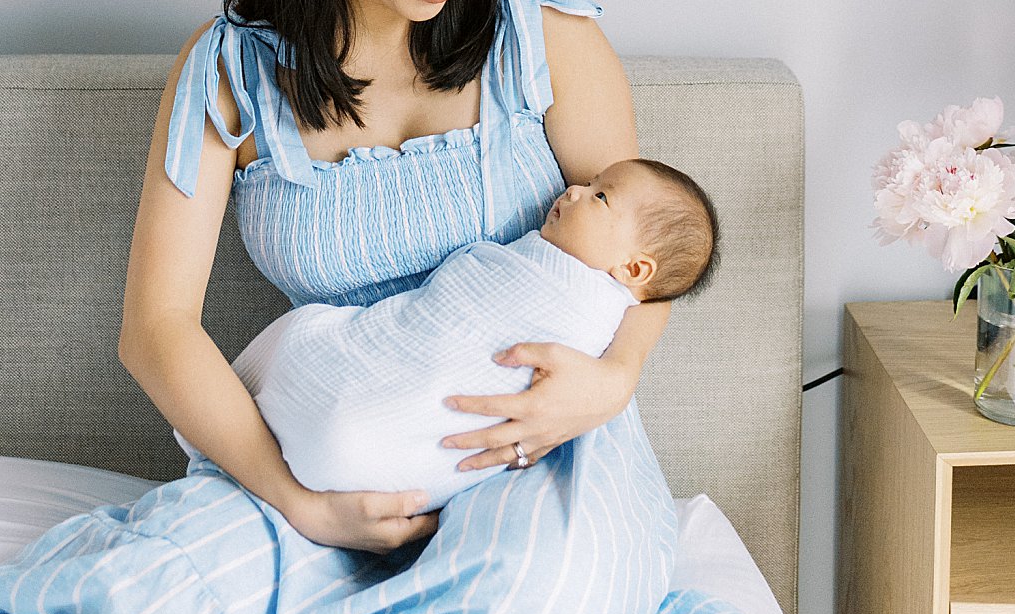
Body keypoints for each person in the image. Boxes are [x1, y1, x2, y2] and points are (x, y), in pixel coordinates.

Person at [0, 0, 776, 614]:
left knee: (537, 597)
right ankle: (347, 605)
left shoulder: (544, 33)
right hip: (322, 444)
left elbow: (638, 265)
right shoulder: (230, 71)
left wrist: (610, 381)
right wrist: (302, 501)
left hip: (526, 440)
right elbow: (159, 328)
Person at [215, 158, 720, 511]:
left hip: (508, 442)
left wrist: (615, 375)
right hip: (369, 373)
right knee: (311, 347)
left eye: (600, 196)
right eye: (589, 183)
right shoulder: (542, 257)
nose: (573, 190)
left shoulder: (591, 308)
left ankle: (353, 449)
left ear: (633, 268)